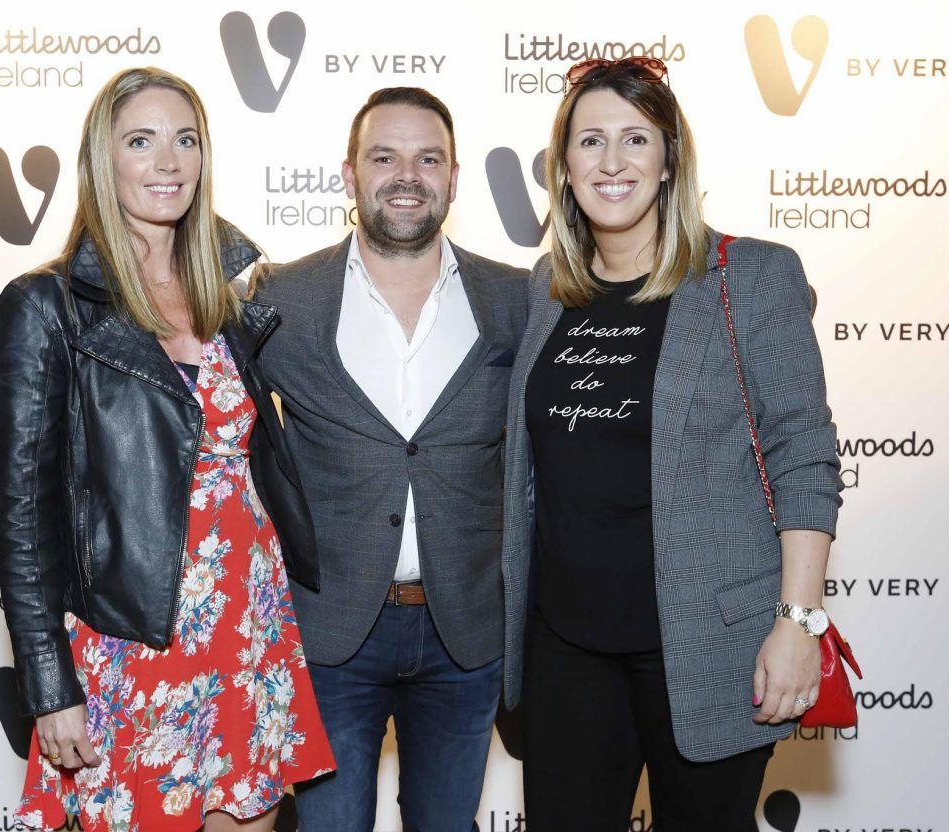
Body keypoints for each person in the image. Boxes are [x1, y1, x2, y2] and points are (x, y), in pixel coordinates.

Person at [500, 57, 842, 830]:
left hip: (706, 646)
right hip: (565, 649)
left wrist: (798, 620)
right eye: (590, 141)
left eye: (634, 139)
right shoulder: (547, 285)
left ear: (668, 161)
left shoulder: (747, 277)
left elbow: (804, 455)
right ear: (564, 167)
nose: (612, 162)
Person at [0, 66, 334, 832]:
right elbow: (21, 513)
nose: (168, 162)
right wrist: (49, 683)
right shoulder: (47, 306)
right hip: (133, 636)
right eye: (141, 141)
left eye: (186, 140)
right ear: (101, 161)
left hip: (247, 621)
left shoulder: (227, 294)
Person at [251, 87, 528, 831]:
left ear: (454, 177)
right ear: (349, 175)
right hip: (330, 633)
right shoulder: (281, 299)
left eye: (427, 158)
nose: (407, 174)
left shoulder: (517, 299)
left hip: (464, 634)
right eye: (385, 157)